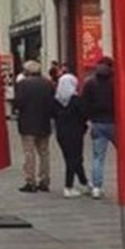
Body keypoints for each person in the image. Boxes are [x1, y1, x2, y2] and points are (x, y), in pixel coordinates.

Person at [12, 60, 56, 192]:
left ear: (27, 71)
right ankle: (44, 180)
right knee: (44, 153)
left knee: (29, 153)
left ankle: (30, 181)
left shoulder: (22, 84)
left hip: (27, 123)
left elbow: (18, 103)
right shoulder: (48, 84)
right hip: (44, 122)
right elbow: (52, 103)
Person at [82, 57, 115, 199]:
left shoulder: (90, 82)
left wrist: (88, 118)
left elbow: (85, 103)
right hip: (116, 122)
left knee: (98, 157)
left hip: (97, 123)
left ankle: (96, 187)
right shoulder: (116, 82)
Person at [53, 64, 88, 197]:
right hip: (76, 132)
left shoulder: (56, 101)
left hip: (61, 133)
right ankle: (68, 186)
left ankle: (84, 182)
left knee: (71, 158)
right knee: (75, 158)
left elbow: (52, 115)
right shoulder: (76, 100)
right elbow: (84, 115)